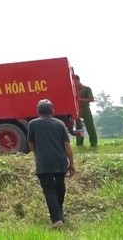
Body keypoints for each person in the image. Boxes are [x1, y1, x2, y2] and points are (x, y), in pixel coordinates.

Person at [27, 99, 76, 229]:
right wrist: (72, 163)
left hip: (44, 163)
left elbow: (31, 144)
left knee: (49, 190)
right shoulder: (60, 124)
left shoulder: (33, 124)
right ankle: (60, 215)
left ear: (37, 111)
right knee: (60, 188)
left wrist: (39, 154)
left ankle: (56, 220)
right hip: (60, 162)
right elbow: (66, 144)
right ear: (52, 111)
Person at [74, 75, 98, 147]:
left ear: (78, 80)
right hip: (77, 110)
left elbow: (91, 99)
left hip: (85, 109)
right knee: (79, 128)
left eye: (75, 81)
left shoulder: (86, 88)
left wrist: (80, 99)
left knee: (90, 126)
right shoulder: (73, 90)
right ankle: (80, 144)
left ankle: (93, 143)